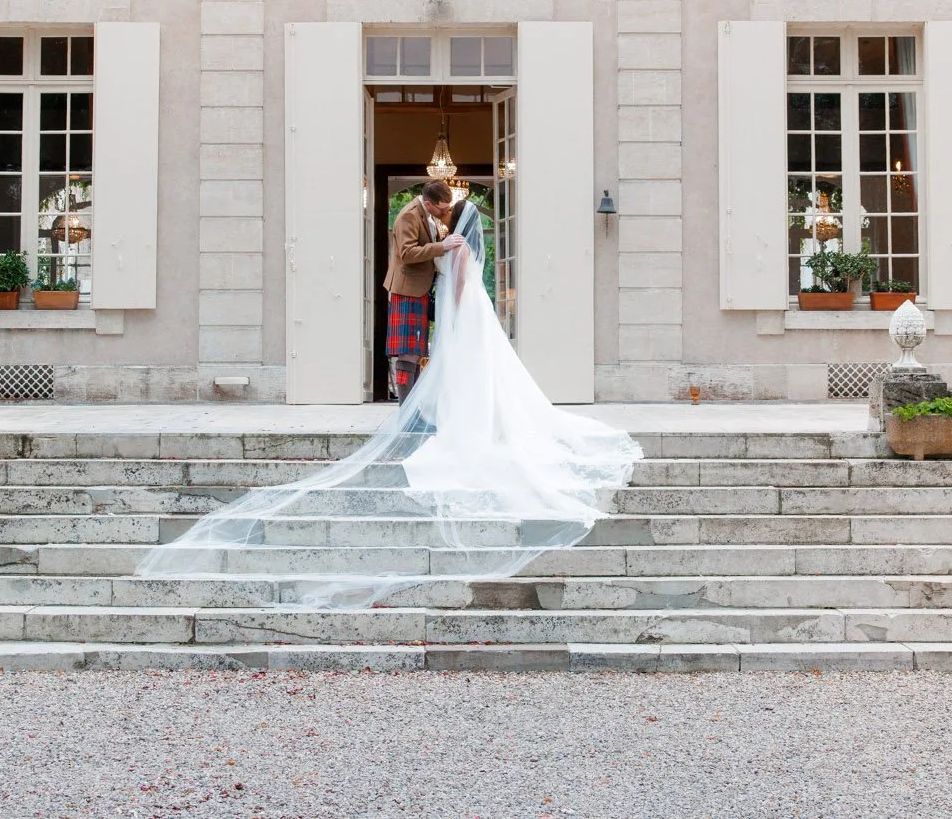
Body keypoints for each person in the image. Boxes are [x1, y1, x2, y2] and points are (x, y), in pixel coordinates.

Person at [137, 196, 643, 608]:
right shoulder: (416, 221)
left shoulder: (453, 241)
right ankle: (430, 407)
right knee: (420, 357)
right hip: (427, 296)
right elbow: (410, 256)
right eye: (442, 214)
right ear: (436, 205)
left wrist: (449, 255)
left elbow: (460, 275)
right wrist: (444, 250)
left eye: (448, 219)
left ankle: (438, 410)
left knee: (442, 361)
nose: (444, 221)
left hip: (453, 304)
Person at [381, 180, 465, 402]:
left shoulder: (428, 216)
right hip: (407, 290)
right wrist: (442, 246)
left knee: (417, 351)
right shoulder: (409, 215)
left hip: (418, 290)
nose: (446, 212)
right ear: (429, 203)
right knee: (408, 352)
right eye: (443, 208)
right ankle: (405, 409)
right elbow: (407, 253)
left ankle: (413, 408)